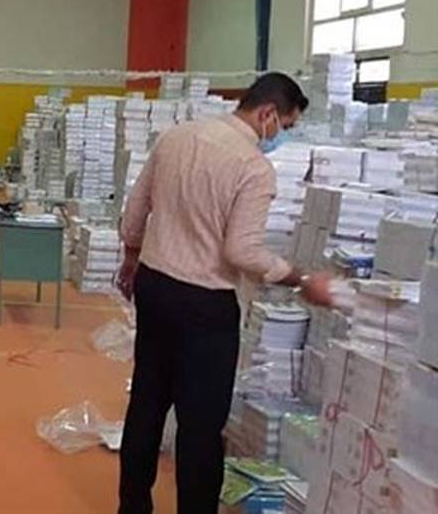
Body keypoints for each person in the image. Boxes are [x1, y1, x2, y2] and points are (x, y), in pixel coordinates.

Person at [115, 72, 335, 514]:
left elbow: (135, 210)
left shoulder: (176, 138)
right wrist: (300, 278)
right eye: (285, 126)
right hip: (205, 304)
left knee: (147, 404)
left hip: (155, 286)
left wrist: (131, 259)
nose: (280, 136)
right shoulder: (253, 168)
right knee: (200, 425)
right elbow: (241, 251)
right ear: (268, 113)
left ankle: (132, 507)